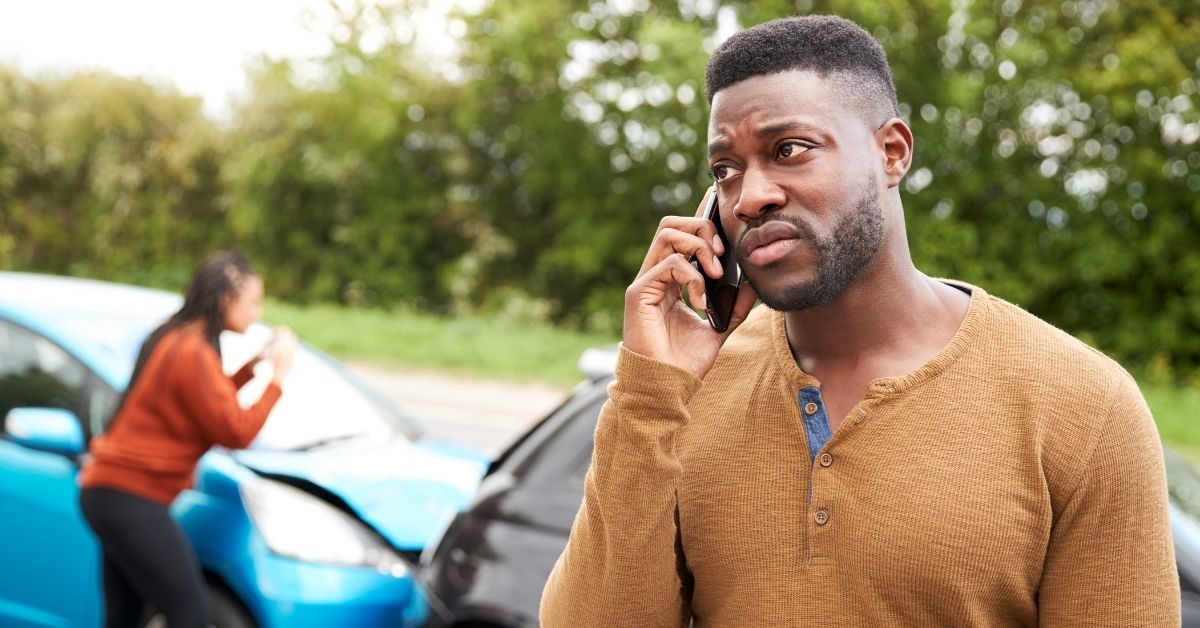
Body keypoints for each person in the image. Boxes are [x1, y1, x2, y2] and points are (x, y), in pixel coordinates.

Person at [540, 15, 1179, 627]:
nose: (750, 195)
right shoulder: (681, 392)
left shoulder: (1085, 405)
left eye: (788, 149)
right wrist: (651, 392)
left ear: (892, 152)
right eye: (725, 171)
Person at [79, 251, 296, 627]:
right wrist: (277, 377)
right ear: (227, 300)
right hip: (130, 498)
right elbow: (235, 430)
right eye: (254, 303)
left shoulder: (178, 337)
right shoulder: (192, 352)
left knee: (125, 615)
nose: (258, 313)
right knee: (191, 614)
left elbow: (202, 405)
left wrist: (249, 370)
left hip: (109, 494)